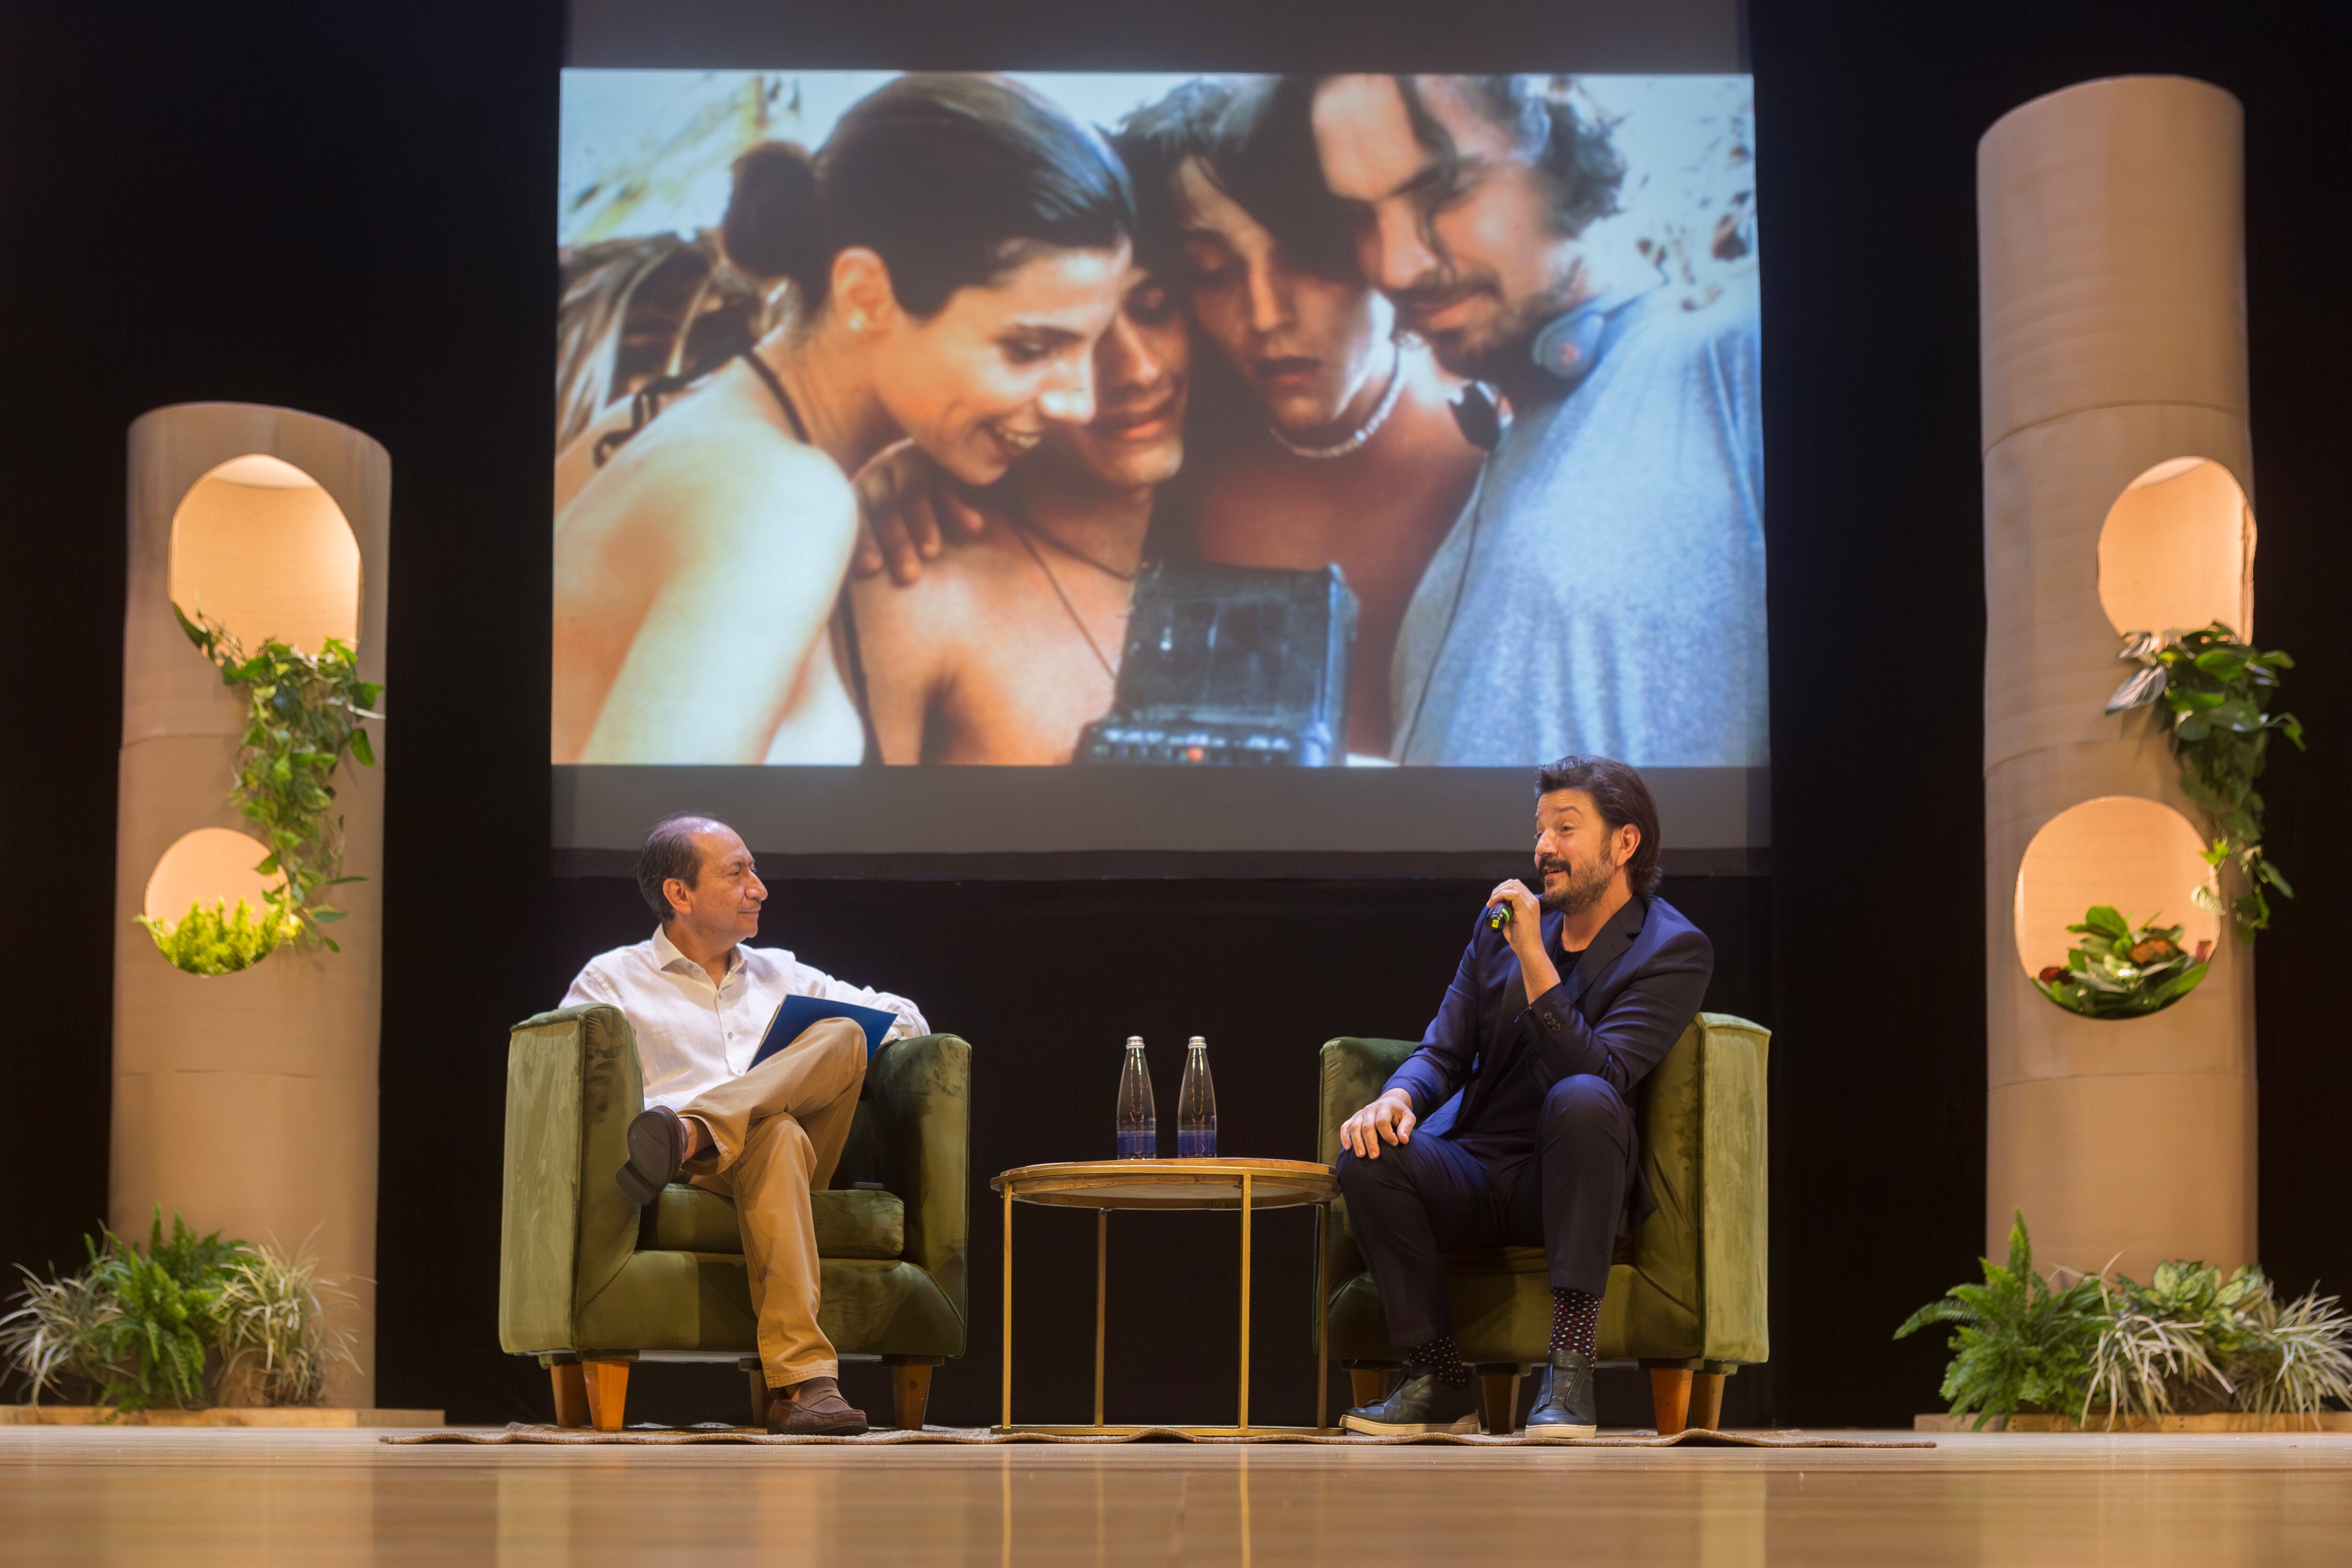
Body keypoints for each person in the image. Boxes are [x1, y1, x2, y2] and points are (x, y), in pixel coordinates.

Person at [852, 78, 1483, 760]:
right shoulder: (922, 581)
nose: (1266, 315)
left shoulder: (1491, 433)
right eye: (1210, 272)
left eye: (1309, 257)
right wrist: (917, 455)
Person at [551, 73, 1135, 765]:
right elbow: (652, 837)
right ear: (864, 293)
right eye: (1030, 349)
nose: (1081, 403)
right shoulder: (782, 500)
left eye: (1093, 343)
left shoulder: (648, 424)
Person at [1310, 75, 1767, 767]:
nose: (1395, 265)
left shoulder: (1734, 361)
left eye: (1442, 190)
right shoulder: (1495, 471)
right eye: (1360, 218)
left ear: (1560, 130)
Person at [1334, 756, 1711, 1436]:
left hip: (1571, 1182)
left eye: (1565, 828)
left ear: (1624, 843)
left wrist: (1535, 956)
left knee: (1582, 1097)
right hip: (1477, 1172)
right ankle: (1437, 1379)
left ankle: (1568, 1370)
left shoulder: (1670, 949)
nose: (1543, 848)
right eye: (1540, 830)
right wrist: (1398, 1098)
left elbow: (1601, 1072)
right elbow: (1444, 1050)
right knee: (1369, 1153)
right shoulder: (1498, 930)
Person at [561, 814, 930, 1434]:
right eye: (737, 874)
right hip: (695, 1176)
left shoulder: (782, 972)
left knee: (844, 1034)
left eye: (753, 872)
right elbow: (567, 1077)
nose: (759, 888)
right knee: (775, 1133)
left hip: (744, 1151)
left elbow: (909, 1018)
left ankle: (694, 1130)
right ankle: (806, 1384)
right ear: (679, 894)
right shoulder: (611, 979)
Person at [846, 254, 1189, 762]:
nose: (1140, 369)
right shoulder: (918, 589)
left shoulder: (1240, 510)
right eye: (1062, 341)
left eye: (1153, 307)